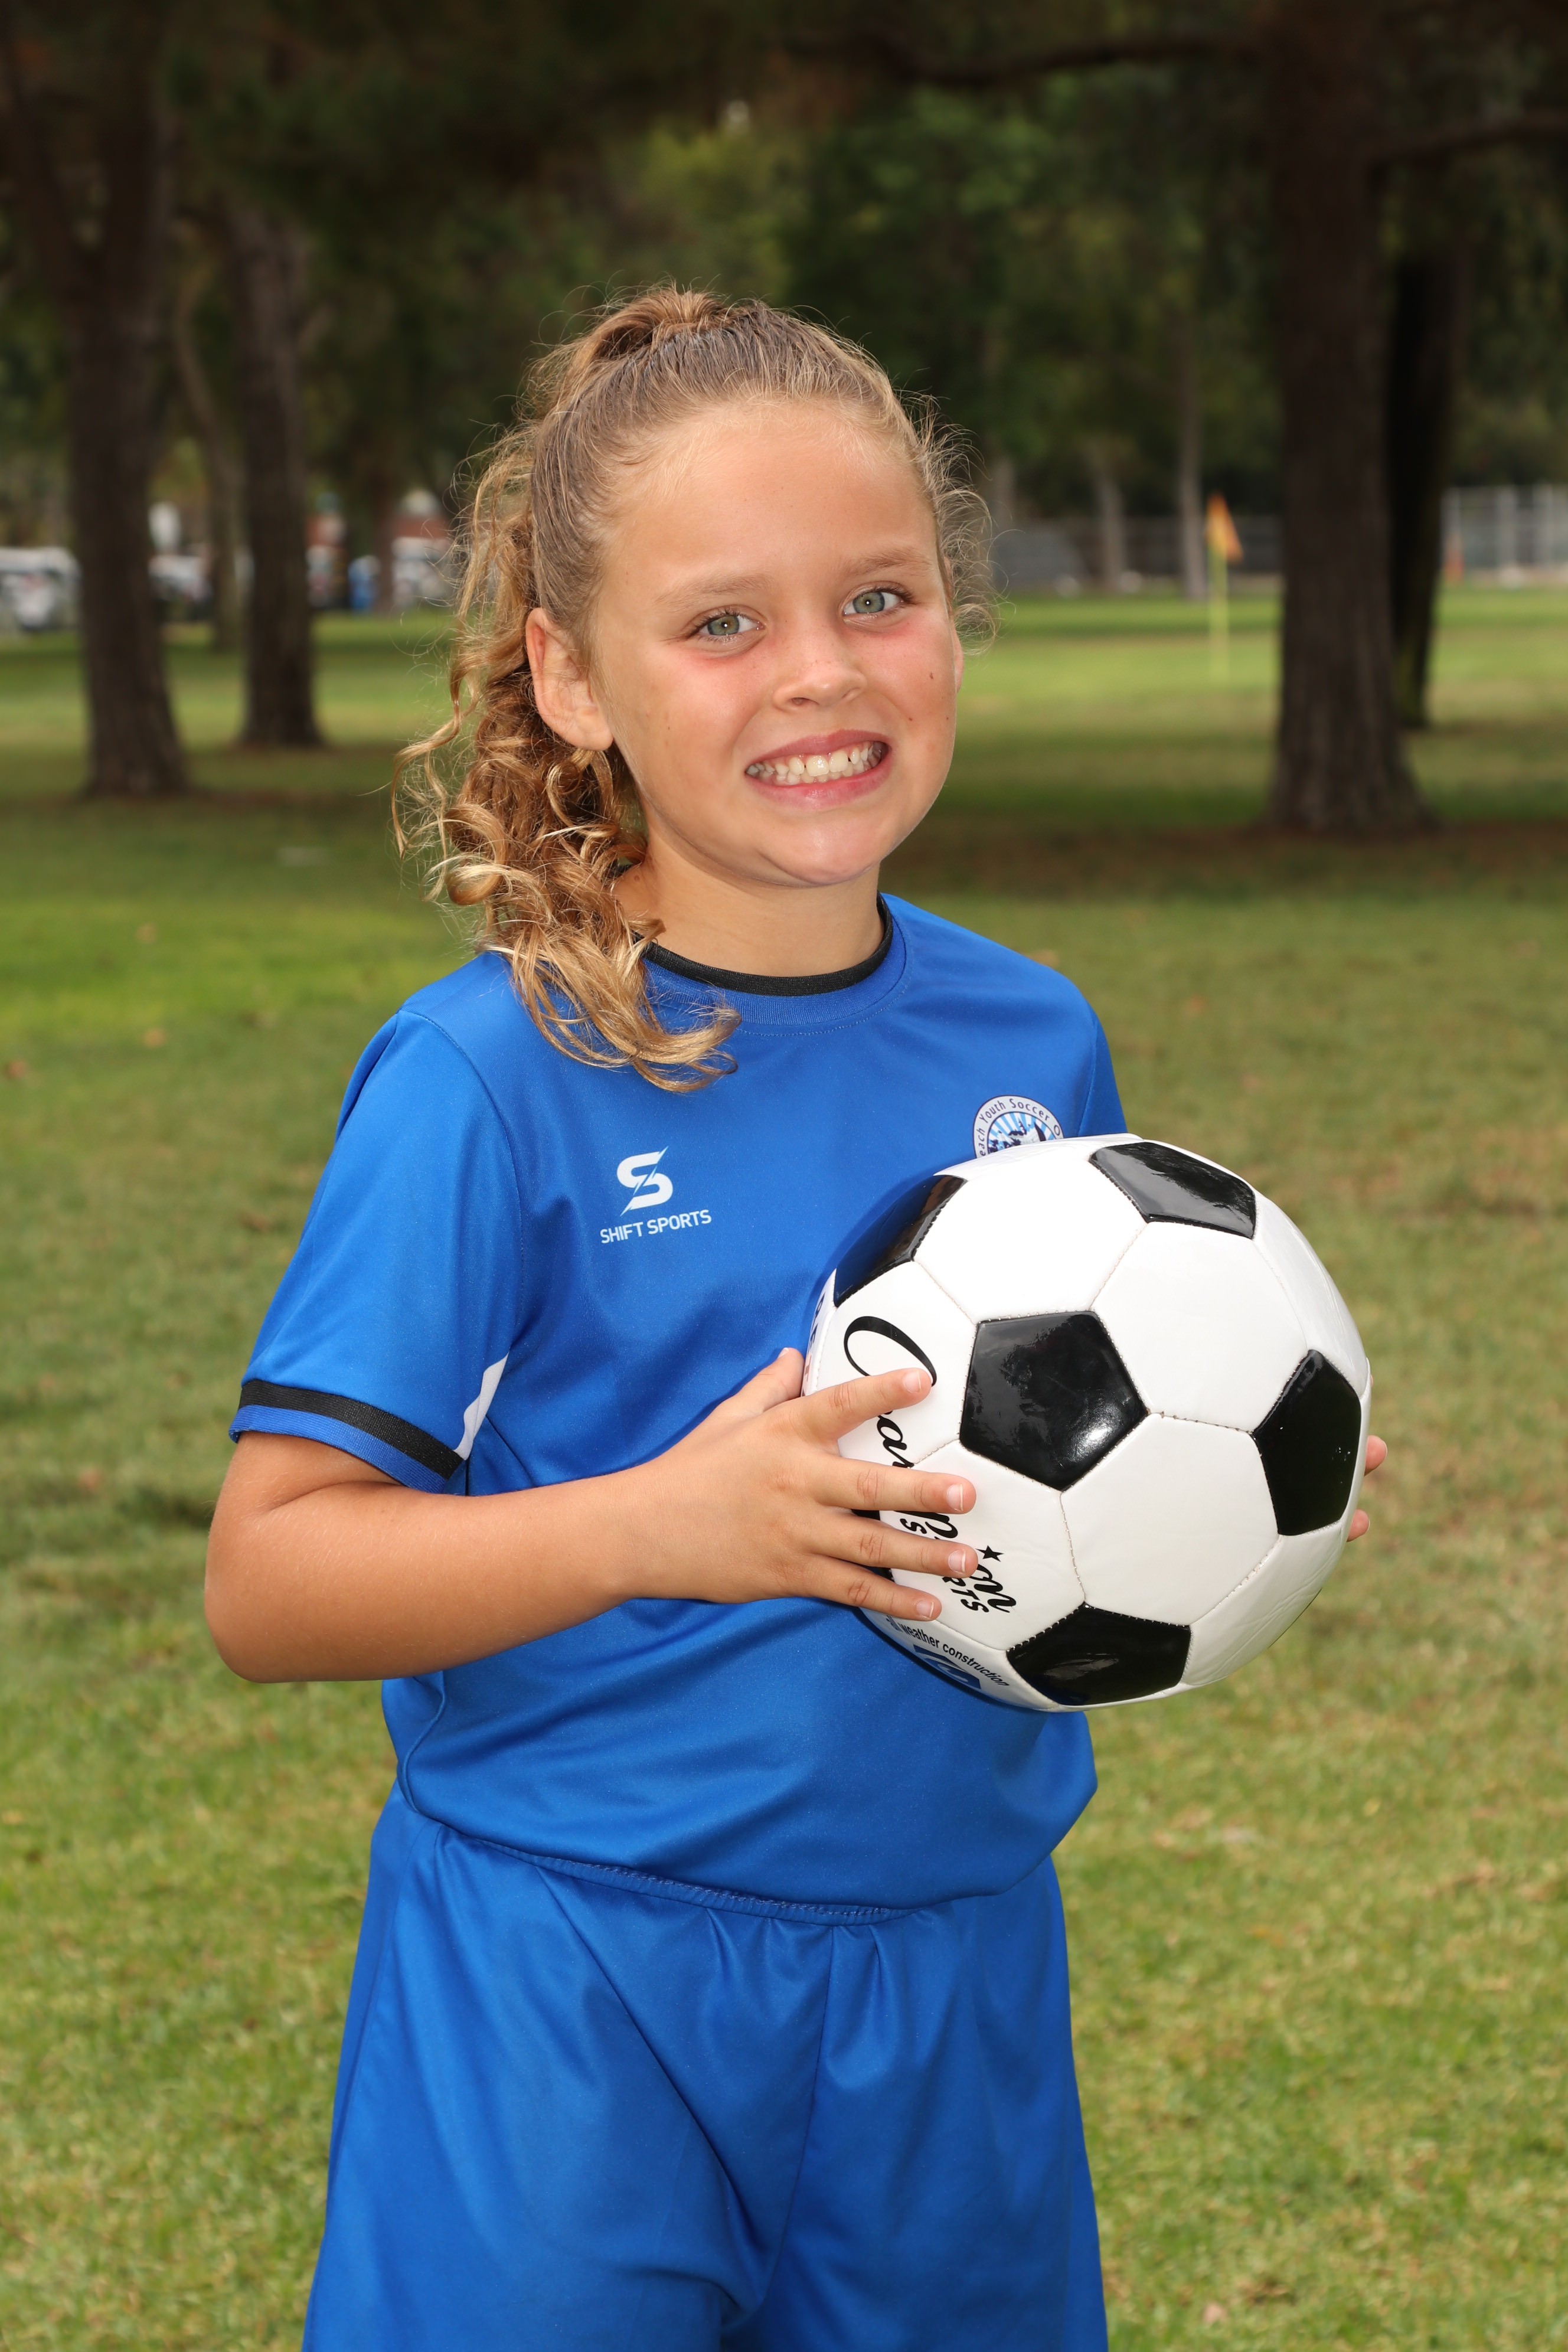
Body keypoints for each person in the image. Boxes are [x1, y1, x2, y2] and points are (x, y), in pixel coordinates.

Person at [206, 289, 1384, 2351]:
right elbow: (269, 1579)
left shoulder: (1032, 1036)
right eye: (723, 622)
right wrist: (663, 1527)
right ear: (573, 678)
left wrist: (1237, 1473)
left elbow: (1069, 1444)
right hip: (570, 1983)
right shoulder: (490, 1075)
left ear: (955, 619)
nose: (821, 670)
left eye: (879, 597)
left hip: (949, 1982)